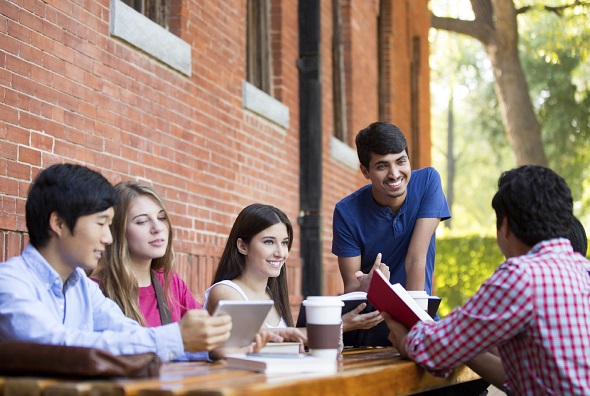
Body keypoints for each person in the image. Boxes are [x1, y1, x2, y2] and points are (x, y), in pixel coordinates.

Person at [383, 165, 590, 395]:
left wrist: (405, 339)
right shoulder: (584, 270)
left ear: (505, 226)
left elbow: (436, 349)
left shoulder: (521, 275)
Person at [0, 163, 232, 361]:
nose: (108, 238)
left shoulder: (81, 285)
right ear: (58, 223)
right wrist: (177, 338)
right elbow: (54, 345)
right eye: (101, 224)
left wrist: (208, 349)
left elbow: (129, 334)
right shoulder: (10, 282)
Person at [204, 203, 382, 337]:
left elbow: (287, 339)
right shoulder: (226, 292)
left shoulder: (271, 294)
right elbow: (268, 340)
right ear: (242, 246)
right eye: (269, 242)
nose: (281, 253)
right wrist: (341, 325)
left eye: (284, 243)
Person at [333, 121, 450, 295]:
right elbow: (351, 287)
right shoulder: (346, 212)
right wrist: (365, 285)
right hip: (372, 318)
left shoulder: (427, 182)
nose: (394, 174)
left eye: (401, 161)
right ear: (365, 171)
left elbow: (416, 258)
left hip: (417, 311)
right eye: (382, 166)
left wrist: (414, 319)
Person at [92, 181, 200, 327]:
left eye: (161, 218)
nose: (157, 228)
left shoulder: (170, 281)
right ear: (118, 231)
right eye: (142, 221)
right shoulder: (94, 290)